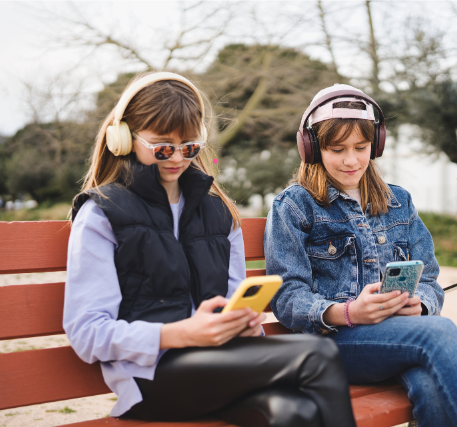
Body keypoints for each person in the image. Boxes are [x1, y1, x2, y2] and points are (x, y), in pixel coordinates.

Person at [63, 72, 357, 427]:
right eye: (162, 147)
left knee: (294, 413)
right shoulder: (101, 214)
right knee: (318, 354)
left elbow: (233, 299)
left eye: (190, 147)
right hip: (151, 378)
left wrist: (244, 325)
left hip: (218, 365)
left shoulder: (217, 211)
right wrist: (182, 333)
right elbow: (87, 332)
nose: (177, 158)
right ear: (123, 138)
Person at [265, 84, 457, 427]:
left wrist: (420, 304)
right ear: (312, 148)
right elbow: (287, 296)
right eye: (337, 149)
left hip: (396, 338)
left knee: (430, 385)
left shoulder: (399, 202)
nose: (351, 160)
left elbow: (428, 279)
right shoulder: (294, 206)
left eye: (361, 147)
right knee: (438, 333)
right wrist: (348, 312)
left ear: (375, 144)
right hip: (330, 345)